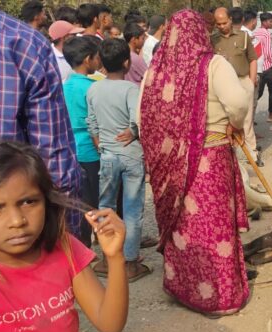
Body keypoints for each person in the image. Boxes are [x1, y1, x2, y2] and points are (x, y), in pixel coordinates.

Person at [0, 141, 128, 332]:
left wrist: (115, 257)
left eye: (28, 202)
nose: (17, 221)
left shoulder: (63, 246)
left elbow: (110, 324)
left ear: (45, 201)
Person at [139, 9, 251, 316]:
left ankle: (183, 288)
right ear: (202, 32)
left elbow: (143, 118)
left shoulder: (155, 72)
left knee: (184, 227)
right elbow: (238, 103)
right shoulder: (213, 64)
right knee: (214, 226)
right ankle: (220, 295)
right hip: (210, 161)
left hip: (170, 166)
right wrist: (235, 125)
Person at [0, 0, 83, 239]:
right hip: (2, 234)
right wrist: (65, 239)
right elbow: (54, 160)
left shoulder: (22, 41)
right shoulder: (21, 41)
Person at [86, 38, 150, 282]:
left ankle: (107, 258)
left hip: (107, 155)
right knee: (132, 209)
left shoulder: (94, 89)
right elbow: (139, 119)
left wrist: (99, 141)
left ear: (101, 62)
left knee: (106, 207)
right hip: (131, 155)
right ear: (126, 63)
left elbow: (91, 121)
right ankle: (130, 263)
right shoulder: (130, 89)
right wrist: (133, 131)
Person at [63, 36, 102, 249]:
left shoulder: (64, 85)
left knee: (79, 201)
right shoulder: (92, 87)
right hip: (91, 149)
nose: (99, 61)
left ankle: (83, 245)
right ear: (88, 59)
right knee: (95, 200)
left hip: (72, 148)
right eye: (96, 57)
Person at [213, 8, 259, 165]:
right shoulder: (213, 40)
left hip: (243, 82)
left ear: (231, 19)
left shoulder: (243, 37)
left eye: (224, 23)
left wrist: (251, 81)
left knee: (247, 119)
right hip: (223, 86)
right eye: (218, 24)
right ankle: (232, 156)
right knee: (228, 120)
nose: (222, 26)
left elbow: (252, 59)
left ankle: (252, 153)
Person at [255, 12, 272, 123]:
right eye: (270, 21)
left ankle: (249, 114)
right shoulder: (266, 34)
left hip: (259, 68)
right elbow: (269, 52)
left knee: (258, 93)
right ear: (264, 22)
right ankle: (271, 115)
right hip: (268, 68)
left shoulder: (255, 32)